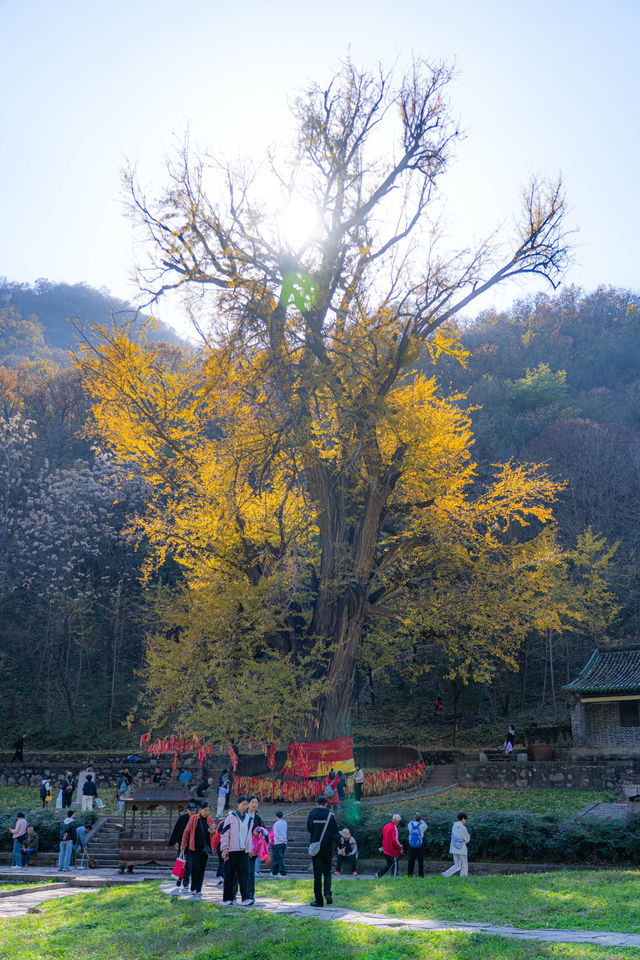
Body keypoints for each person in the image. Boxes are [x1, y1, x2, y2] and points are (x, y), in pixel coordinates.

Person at [220, 794, 255, 906]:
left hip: (243, 851)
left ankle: (245, 898)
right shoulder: (231, 817)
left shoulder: (249, 819)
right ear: (238, 805)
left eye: (246, 805)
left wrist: (250, 849)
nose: (244, 807)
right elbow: (225, 833)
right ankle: (228, 899)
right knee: (229, 875)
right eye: (242, 805)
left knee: (244, 875)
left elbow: (249, 835)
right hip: (232, 850)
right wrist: (224, 848)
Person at [307, 794, 340, 907]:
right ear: (326, 804)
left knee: (317, 876)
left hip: (316, 848)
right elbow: (336, 833)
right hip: (327, 849)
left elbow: (309, 829)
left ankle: (319, 901)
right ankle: (327, 892)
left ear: (316, 803)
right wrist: (341, 846)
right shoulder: (330, 816)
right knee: (327, 873)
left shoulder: (312, 814)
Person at [180, 800, 216, 899]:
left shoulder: (210, 820)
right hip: (194, 848)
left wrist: (212, 832)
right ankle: (193, 888)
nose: (206, 812)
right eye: (204, 810)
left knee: (202, 869)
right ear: (200, 809)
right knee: (195, 867)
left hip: (205, 849)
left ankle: (199, 889)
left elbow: (215, 834)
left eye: (208, 810)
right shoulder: (194, 819)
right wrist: (183, 844)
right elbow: (186, 832)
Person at [169, 800, 198, 894]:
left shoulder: (197, 819)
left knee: (189, 864)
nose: (192, 812)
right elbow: (177, 830)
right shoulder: (182, 818)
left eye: (194, 810)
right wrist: (177, 842)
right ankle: (178, 880)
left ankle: (186, 882)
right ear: (187, 810)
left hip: (191, 844)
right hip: (182, 844)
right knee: (180, 863)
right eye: (191, 810)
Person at [442, 812, 471, 878]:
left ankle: (445, 874)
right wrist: (466, 840)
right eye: (465, 820)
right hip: (461, 848)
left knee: (457, 865)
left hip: (454, 847)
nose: (465, 821)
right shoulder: (463, 827)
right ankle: (463, 877)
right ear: (463, 819)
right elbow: (467, 837)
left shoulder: (454, 826)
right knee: (464, 864)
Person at [376, 813, 403, 878]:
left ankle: (379, 875)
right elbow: (395, 840)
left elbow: (381, 835)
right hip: (392, 850)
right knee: (394, 864)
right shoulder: (394, 828)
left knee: (389, 864)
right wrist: (401, 847)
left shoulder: (386, 826)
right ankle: (394, 878)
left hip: (385, 849)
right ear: (398, 821)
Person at [270, 810, 288, 877]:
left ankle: (283, 873)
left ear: (276, 816)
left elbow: (276, 833)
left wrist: (279, 839)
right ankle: (275, 872)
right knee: (279, 857)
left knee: (279, 859)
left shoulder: (276, 824)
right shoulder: (285, 823)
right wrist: (283, 839)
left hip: (277, 843)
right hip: (284, 842)